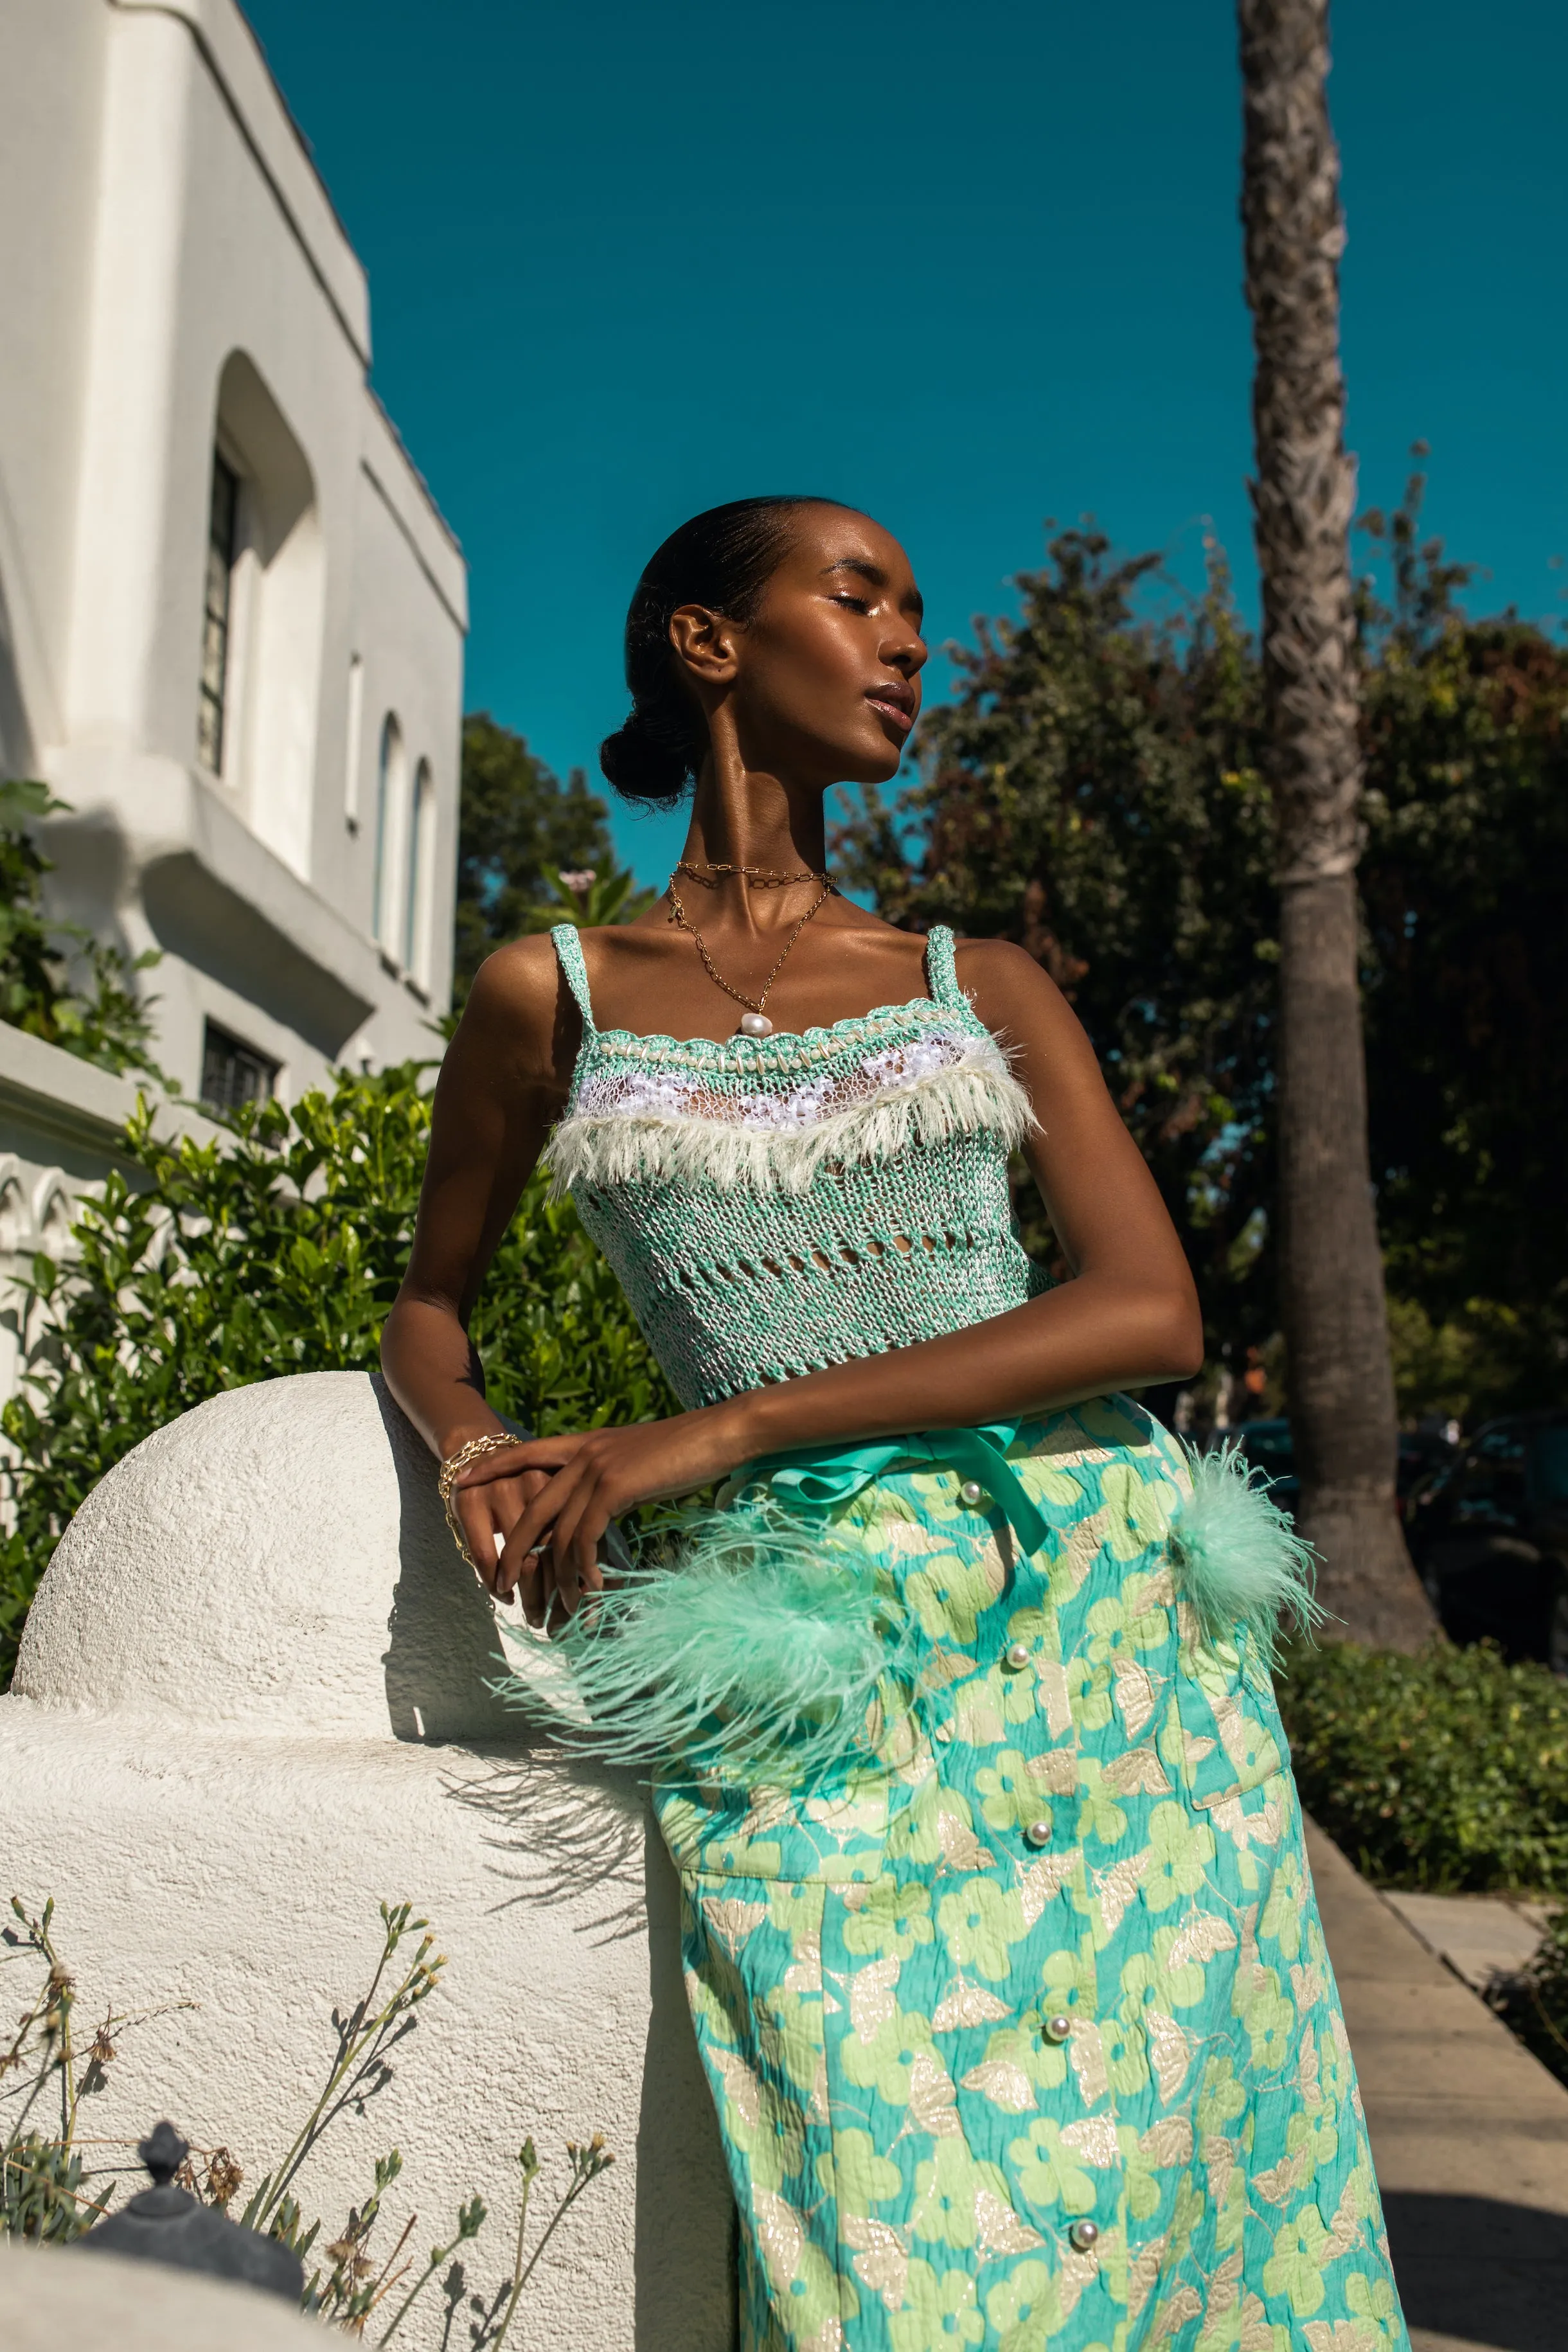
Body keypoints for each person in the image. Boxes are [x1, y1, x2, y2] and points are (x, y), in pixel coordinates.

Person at [381, 497, 1409, 2352]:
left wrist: (697, 1437)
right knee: (882, 2218)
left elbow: (1143, 1309)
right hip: (819, 1661)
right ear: (707, 640)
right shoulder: (556, 993)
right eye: (857, 597)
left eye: (918, 611)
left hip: (1109, 1643)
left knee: (1197, 2201)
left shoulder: (975, 983)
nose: (909, 642)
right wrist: (474, 1449)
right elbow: (426, 1310)